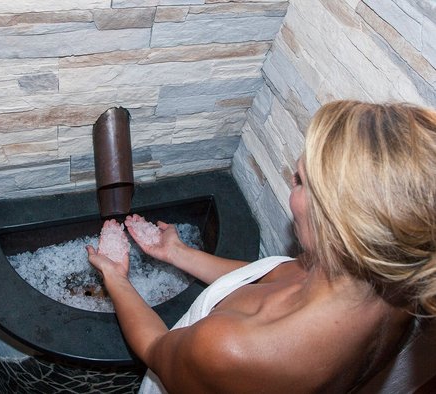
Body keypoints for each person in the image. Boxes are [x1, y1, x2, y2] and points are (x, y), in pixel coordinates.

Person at [87, 100, 436, 393]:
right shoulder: (397, 281)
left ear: (337, 225)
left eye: (300, 180)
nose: (290, 183)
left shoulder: (231, 348)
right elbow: (270, 278)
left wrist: (116, 277)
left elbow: (156, 348)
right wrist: (179, 254)